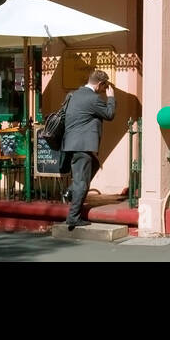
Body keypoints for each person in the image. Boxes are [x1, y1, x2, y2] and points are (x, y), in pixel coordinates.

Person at [62, 69, 115, 230]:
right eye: (104, 86)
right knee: (82, 182)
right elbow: (109, 114)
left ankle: (70, 192)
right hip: (82, 146)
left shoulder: (73, 95)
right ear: (100, 84)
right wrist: (111, 97)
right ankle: (73, 217)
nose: (104, 89)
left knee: (94, 164)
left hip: (71, 143)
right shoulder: (93, 99)